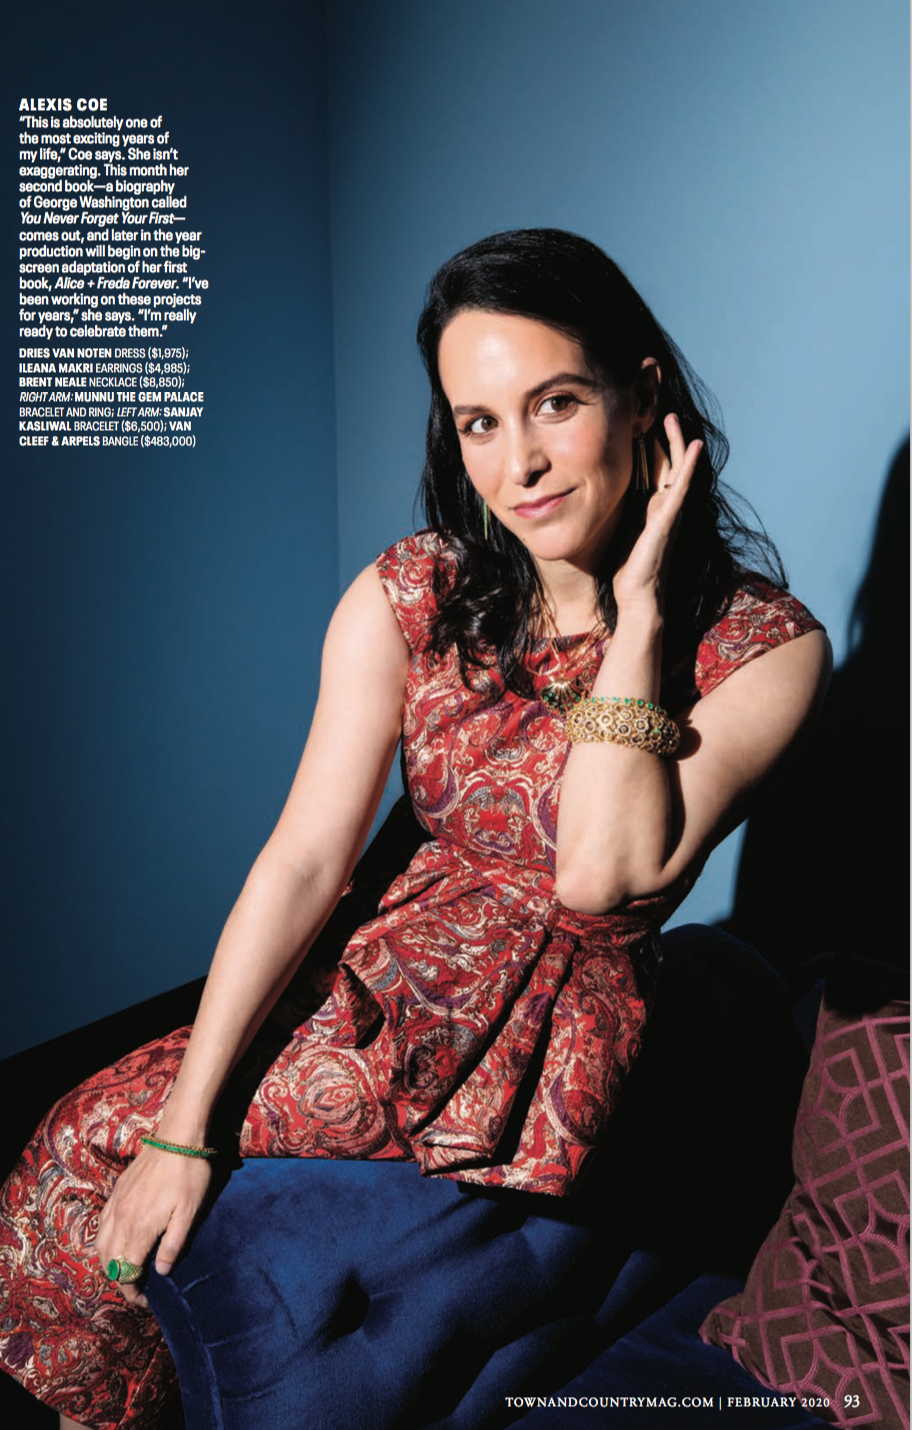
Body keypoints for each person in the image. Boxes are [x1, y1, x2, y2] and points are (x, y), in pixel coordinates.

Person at [0, 228, 830, 1430]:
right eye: (479, 421)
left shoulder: (765, 647)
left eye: (555, 403)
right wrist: (185, 1125)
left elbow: (602, 878)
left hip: (549, 1018)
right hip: (381, 959)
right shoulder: (415, 591)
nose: (521, 463)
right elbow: (304, 857)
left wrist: (639, 613)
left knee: (86, 1147)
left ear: (643, 395)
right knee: (95, 1141)